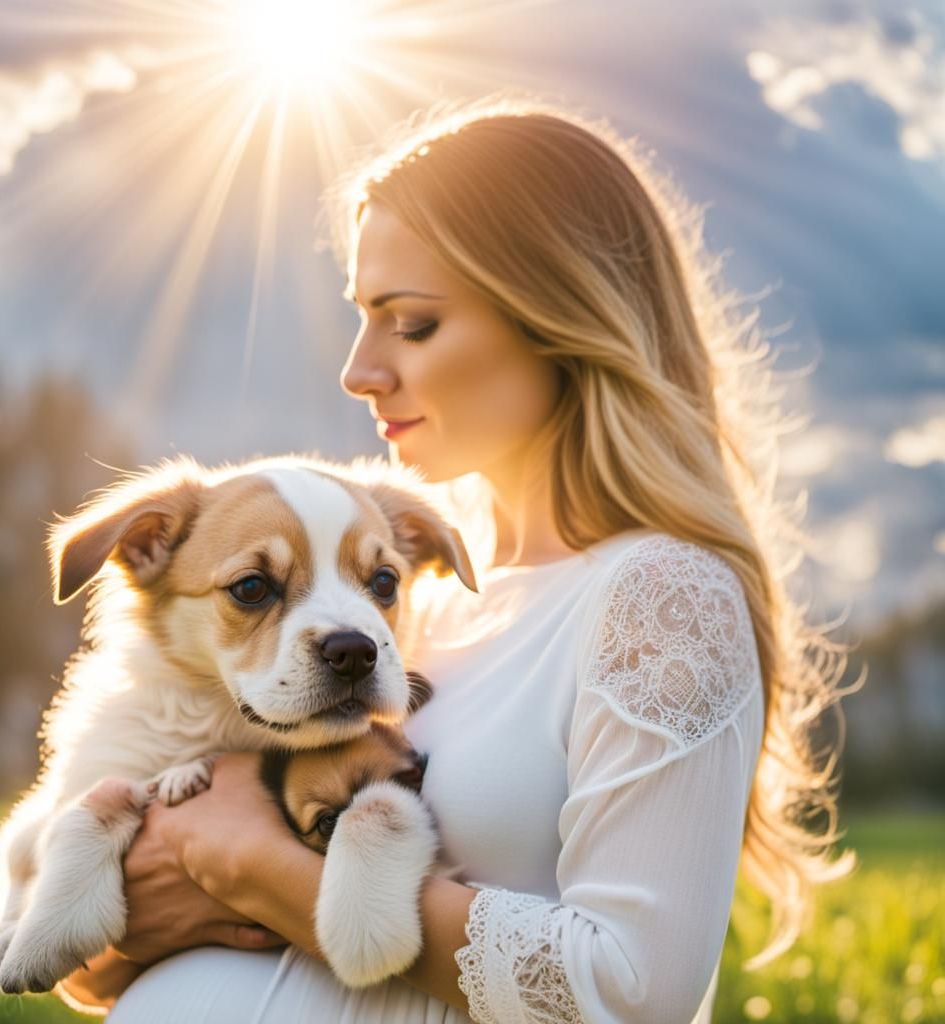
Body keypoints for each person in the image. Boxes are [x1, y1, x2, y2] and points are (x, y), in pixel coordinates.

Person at [58, 97, 854, 1022]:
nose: (359, 370)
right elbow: (94, 965)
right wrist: (120, 924)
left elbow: (633, 993)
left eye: (414, 323)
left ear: (559, 316)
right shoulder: (401, 601)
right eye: (363, 316)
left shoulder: (659, 597)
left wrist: (250, 863)